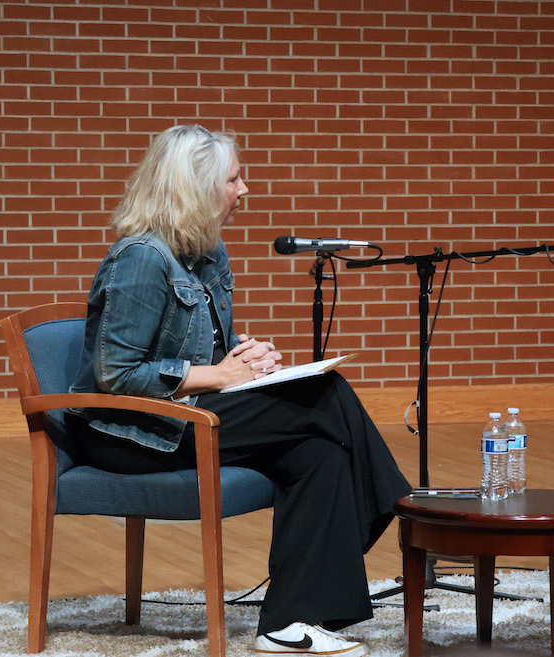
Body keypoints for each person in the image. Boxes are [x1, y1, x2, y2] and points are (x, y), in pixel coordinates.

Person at [67, 124, 411, 657]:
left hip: (188, 412)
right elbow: (116, 374)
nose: (244, 189)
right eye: (234, 178)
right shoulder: (139, 258)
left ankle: (289, 621)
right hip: (131, 431)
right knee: (327, 395)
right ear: (196, 188)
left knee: (317, 450)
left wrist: (247, 357)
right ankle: (398, 505)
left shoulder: (208, 253)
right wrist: (222, 376)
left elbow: (209, 351)